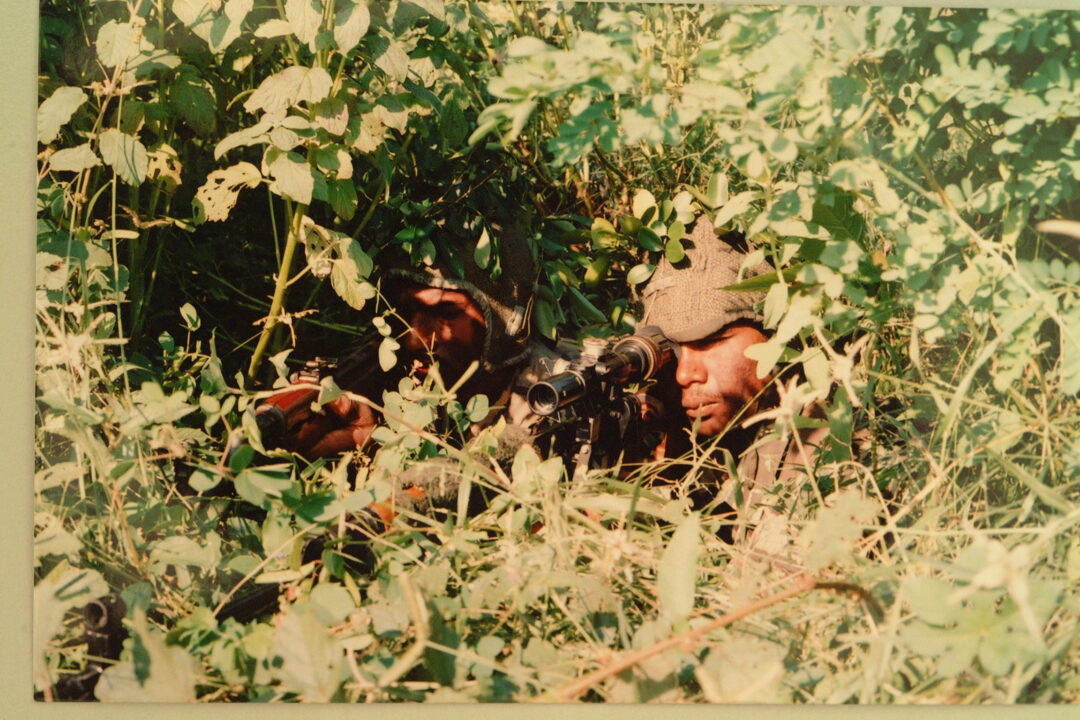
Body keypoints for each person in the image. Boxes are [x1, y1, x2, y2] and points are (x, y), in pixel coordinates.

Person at [639, 216, 832, 557]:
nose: (685, 374)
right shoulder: (687, 430)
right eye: (674, 351)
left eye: (710, 342)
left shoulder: (826, 436)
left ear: (776, 335)